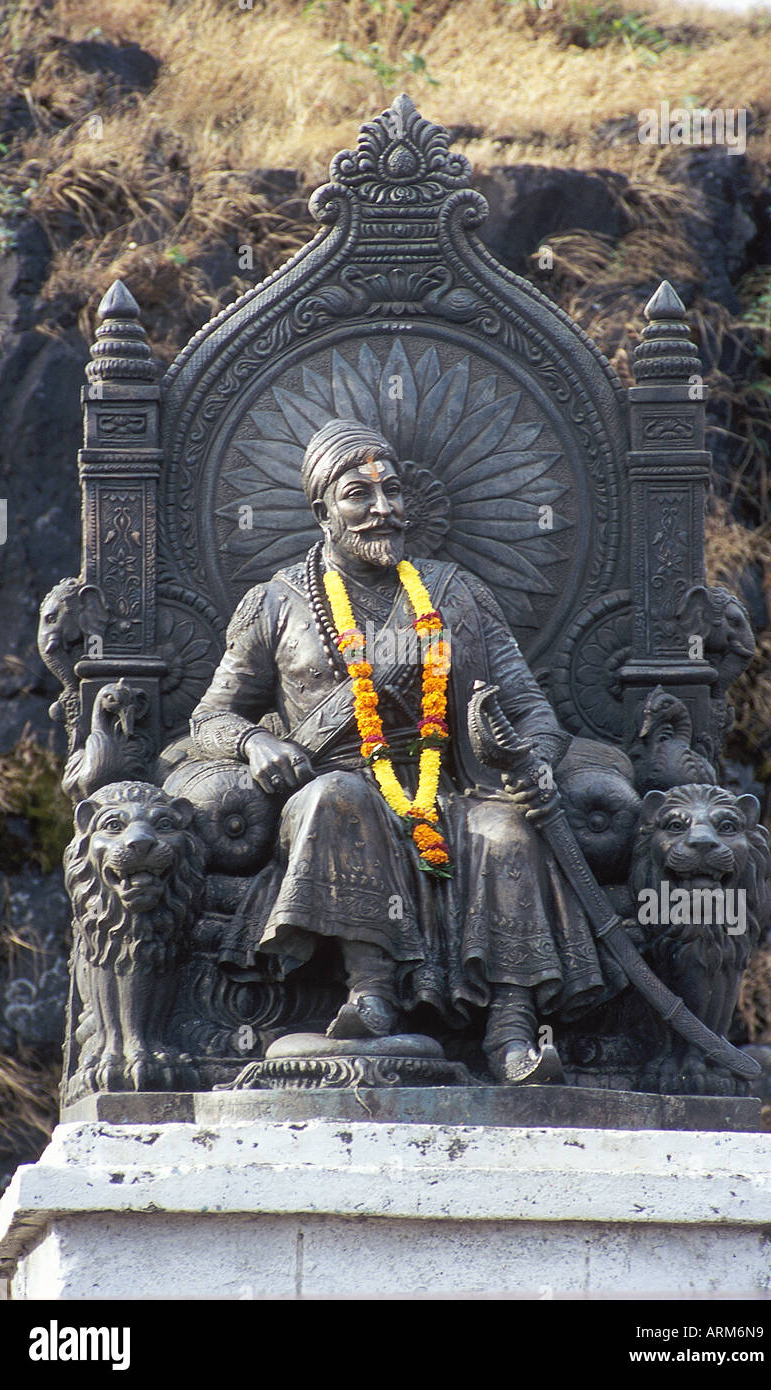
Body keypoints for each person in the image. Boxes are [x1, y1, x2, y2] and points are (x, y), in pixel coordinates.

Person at [190, 418, 609, 1082]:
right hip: (337, 780)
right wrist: (254, 740)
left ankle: (511, 1031)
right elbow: (210, 715)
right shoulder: (274, 603)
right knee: (338, 799)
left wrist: (530, 759)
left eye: (392, 492)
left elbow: (529, 705)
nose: (382, 509)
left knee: (504, 830)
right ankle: (370, 992)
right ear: (320, 509)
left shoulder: (455, 593)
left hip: (450, 786)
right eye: (358, 493)